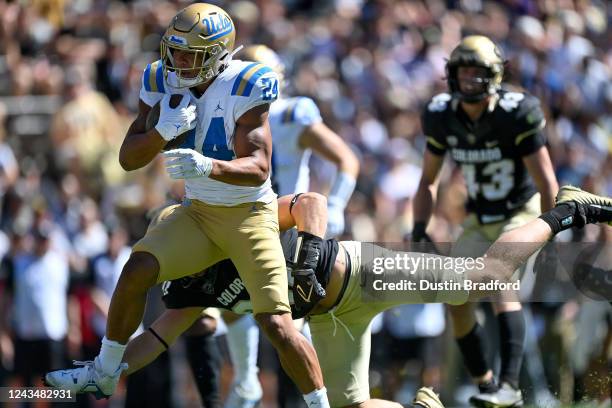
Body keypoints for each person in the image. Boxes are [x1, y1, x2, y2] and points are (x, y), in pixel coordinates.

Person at [60, 185, 612, 407]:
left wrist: (305, 251)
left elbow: (310, 200)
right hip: (329, 320)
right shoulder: (184, 292)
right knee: (349, 406)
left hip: (359, 271)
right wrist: (106, 371)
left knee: (485, 276)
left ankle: (568, 211)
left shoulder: (233, 222)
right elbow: (153, 339)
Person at [44, 4, 330, 407]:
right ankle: (104, 372)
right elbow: (128, 158)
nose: (178, 61)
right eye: (175, 50)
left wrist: (207, 165)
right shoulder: (161, 81)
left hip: (249, 215)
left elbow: (260, 169)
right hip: (197, 213)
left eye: (190, 54)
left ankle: (320, 403)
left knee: (278, 324)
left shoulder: (246, 83)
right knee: (137, 267)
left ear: (217, 54)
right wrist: (161, 132)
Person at [412, 35, 559, 407]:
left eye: (477, 73)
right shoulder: (442, 114)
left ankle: (511, 385)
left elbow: (545, 181)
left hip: (520, 211)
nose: (468, 80)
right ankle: (488, 383)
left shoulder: (517, 111)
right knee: (454, 296)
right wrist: (419, 228)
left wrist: (551, 232)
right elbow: (428, 180)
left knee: (496, 276)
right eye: (462, 72)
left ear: (493, 75)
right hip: (479, 217)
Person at [219, 44, 360, 408]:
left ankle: (304, 394)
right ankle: (247, 379)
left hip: (288, 225)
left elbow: (346, 159)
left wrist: (339, 204)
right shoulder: (224, 116)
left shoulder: (290, 114)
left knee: (288, 321)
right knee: (224, 296)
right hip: (248, 221)